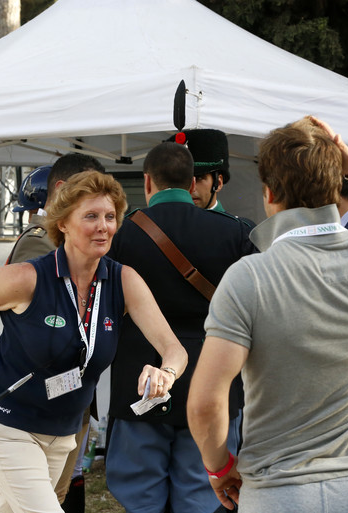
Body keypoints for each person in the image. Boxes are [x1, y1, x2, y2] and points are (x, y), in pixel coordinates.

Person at [186, 116, 348, 512]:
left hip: (278, 492)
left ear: (269, 193)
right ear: (335, 187)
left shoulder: (248, 277)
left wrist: (219, 468)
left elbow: (205, 403)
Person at [0, 170, 188, 513]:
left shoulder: (122, 280)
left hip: (61, 434)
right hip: (5, 422)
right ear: (64, 224)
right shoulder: (29, 277)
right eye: (91, 216)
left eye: (110, 216)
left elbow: (174, 349)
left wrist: (167, 373)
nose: (103, 226)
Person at [105, 142, 255, 513]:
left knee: (140, 495)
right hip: (214, 379)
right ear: (192, 182)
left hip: (139, 379)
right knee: (202, 496)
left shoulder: (121, 235)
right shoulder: (236, 233)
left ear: (148, 182)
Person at [5, 153, 106, 512]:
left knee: (58, 490)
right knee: (42, 497)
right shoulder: (37, 243)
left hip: (68, 395)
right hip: (38, 400)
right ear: (62, 190)